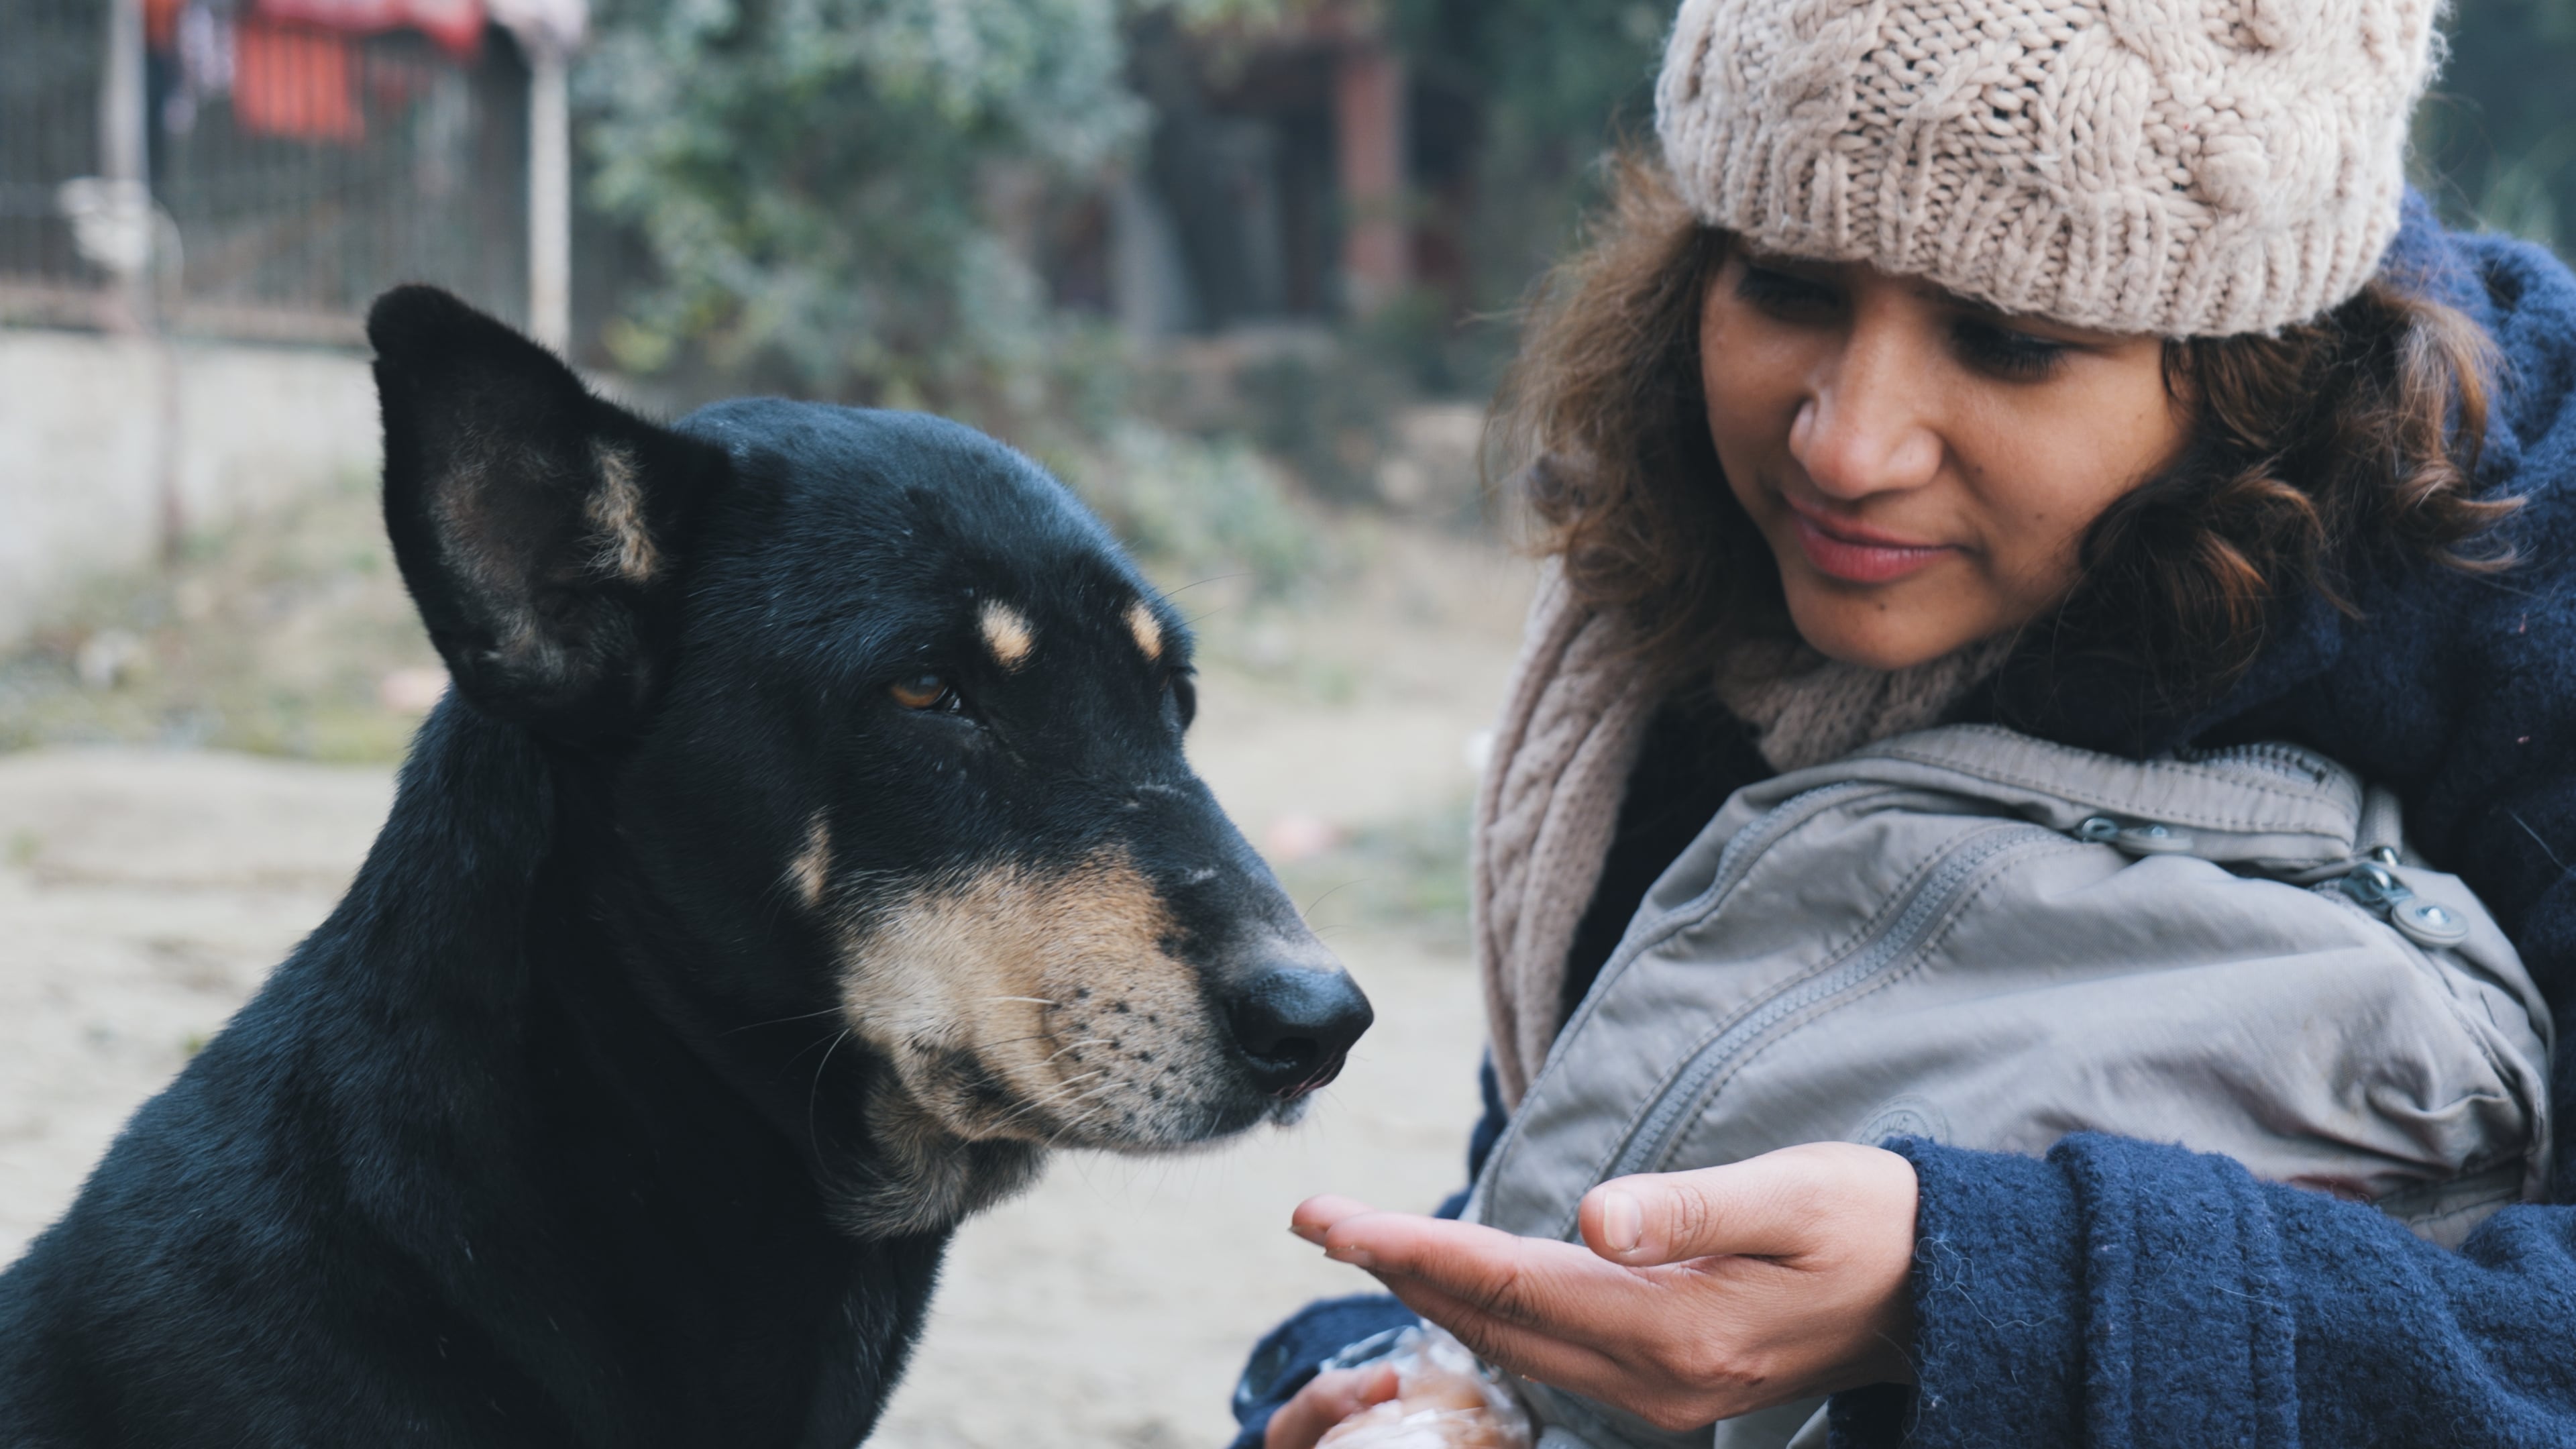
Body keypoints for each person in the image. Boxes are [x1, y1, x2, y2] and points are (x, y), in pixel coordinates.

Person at [1228, 0, 2576, 1444]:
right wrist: (1417, 1375)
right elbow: (1584, 1159)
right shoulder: (1685, 608)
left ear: (2265, 364)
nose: (1846, 448)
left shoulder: (2524, 599)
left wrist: (1969, 1283)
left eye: (2009, 340)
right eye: (1790, 285)